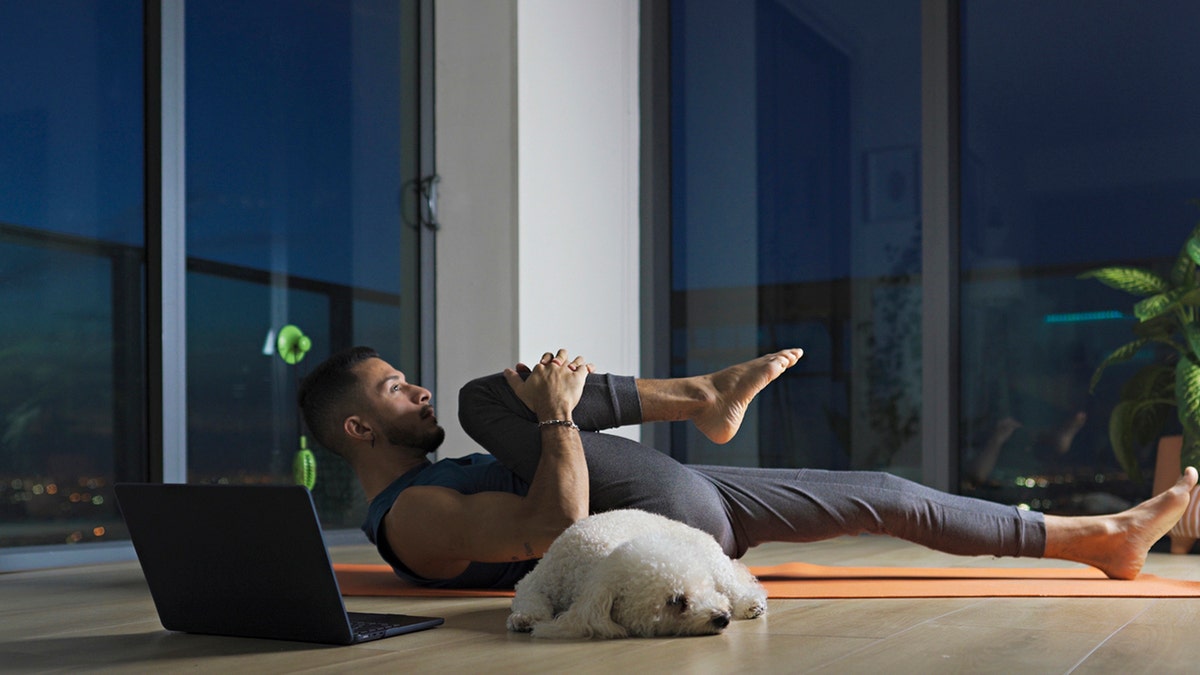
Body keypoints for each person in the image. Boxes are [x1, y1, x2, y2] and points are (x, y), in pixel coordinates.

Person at [298, 346, 1198, 590]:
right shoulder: (411, 520)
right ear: (355, 426)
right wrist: (559, 414)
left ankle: (1101, 539)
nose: (409, 389)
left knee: (883, 495)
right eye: (389, 387)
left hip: (678, 499)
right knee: (480, 397)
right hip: (652, 522)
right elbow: (550, 532)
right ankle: (706, 393)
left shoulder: (439, 480)